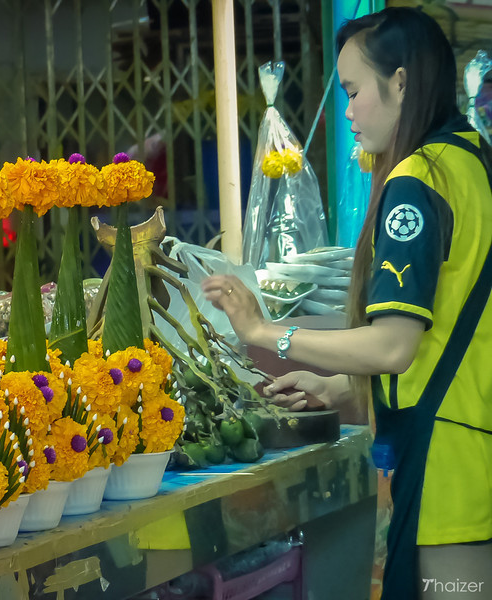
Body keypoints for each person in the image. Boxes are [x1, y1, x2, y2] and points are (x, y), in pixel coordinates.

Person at [201, 7, 492, 600]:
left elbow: (394, 343)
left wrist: (266, 332)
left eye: (355, 90)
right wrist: (337, 387)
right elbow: (453, 334)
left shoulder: (418, 180)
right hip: (471, 448)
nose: (349, 110)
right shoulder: (473, 159)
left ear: (402, 82)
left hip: (447, 470)